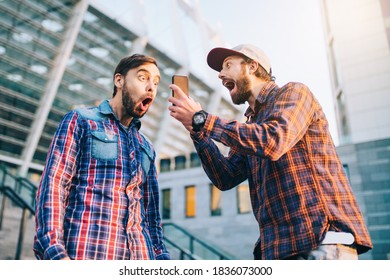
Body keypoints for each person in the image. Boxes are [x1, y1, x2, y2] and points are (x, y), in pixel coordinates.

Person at [168, 44, 373, 260]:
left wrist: (202, 119)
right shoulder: (250, 126)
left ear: (252, 66)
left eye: (228, 65)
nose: (220, 74)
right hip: (279, 249)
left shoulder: (294, 92)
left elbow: (274, 140)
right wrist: (197, 132)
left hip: (321, 241)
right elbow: (224, 177)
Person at [34, 54, 170, 260]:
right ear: (119, 80)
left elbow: (152, 218)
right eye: (143, 78)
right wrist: (54, 251)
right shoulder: (81, 121)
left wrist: (162, 259)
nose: (151, 86)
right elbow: (54, 186)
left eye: (156, 82)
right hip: (89, 253)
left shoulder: (147, 148)